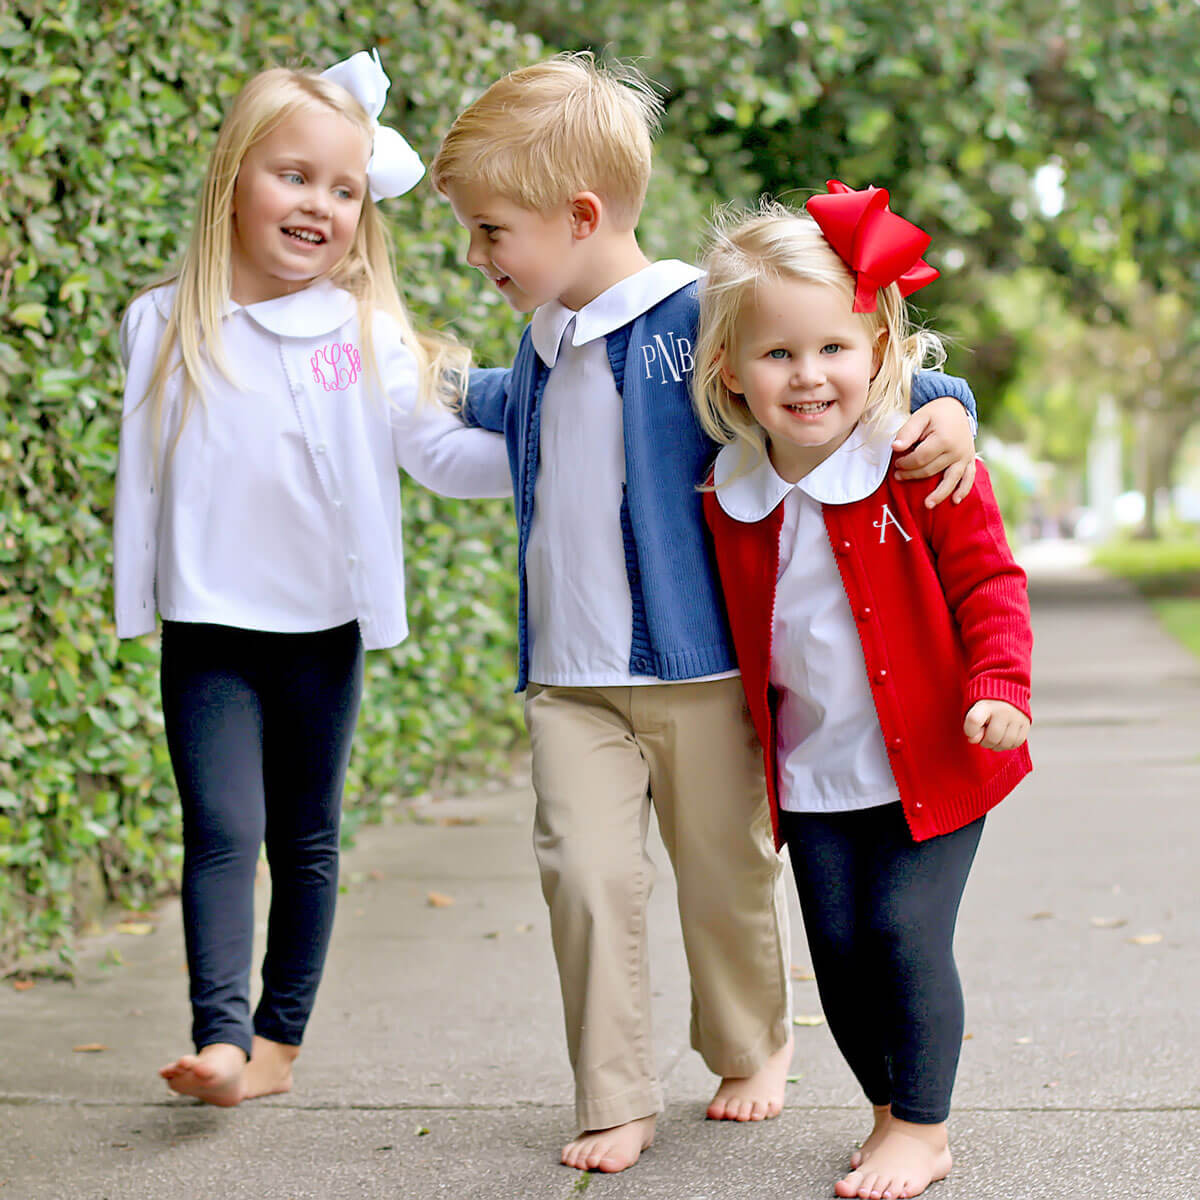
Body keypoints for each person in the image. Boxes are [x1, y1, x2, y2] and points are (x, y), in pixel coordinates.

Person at [429, 54, 982, 1175]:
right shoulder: (540, 340)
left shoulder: (700, 316)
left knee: (723, 872)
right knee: (583, 874)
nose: (476, 255)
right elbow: (496, 410)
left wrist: (955, 413)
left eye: (490, 232)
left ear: (580, 215)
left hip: (698, 664)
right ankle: (615, 1094)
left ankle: (747, 1044)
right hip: (568, 674)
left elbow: (853, 370)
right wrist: (418, 376)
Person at [113, 51, 510, 1108]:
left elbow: (437, 455)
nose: (320, 204)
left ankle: (278, 1040)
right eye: (295, 176)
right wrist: (131, 603)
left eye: (343, 189)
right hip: (206, 627)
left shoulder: (365, 335)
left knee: (307, 838)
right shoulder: (165, 324)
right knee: (222, 832)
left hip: (322, 630)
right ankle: (222, 1039)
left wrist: (557, 453)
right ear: (235, 178)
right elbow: (137, 482)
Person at [695, 188, 1033, 1200]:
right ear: (732, 374)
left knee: (901, 933)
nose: (809, 375)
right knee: (838, 958)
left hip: (937, 753)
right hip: (816, 772)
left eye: (835, 348)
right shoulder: (729, 495)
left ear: (881, 354)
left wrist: (1000, 682)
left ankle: (924, 1129)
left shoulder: (919, 465)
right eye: (779, 355)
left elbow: (990, 582)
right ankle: (889, 1111)